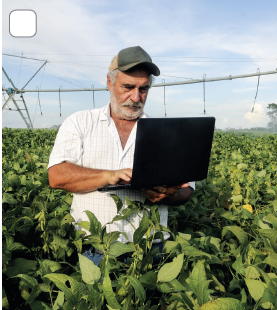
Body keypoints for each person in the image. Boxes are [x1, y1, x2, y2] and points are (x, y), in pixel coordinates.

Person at [48, 46, 195, 265]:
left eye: (143, 89)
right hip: (96, 250)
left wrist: (170, 196)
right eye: (128, 87)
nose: (136, 97)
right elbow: (57, 176)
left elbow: (187, 188)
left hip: (149, 249)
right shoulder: (79, 122)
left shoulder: (166, 132)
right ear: (109, 83)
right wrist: (110, 176)